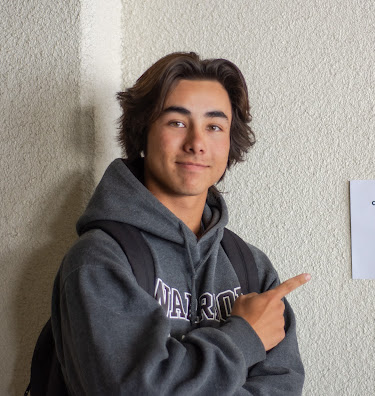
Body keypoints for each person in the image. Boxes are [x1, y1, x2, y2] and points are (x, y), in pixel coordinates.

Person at [51, 52, 310, 395]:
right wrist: (245, 336)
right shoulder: (99, 261)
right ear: (142, 132)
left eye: (214, 126)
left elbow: (282, 385)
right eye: (176, 122)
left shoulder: (251, 266)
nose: (197, 143)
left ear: (230, 142)